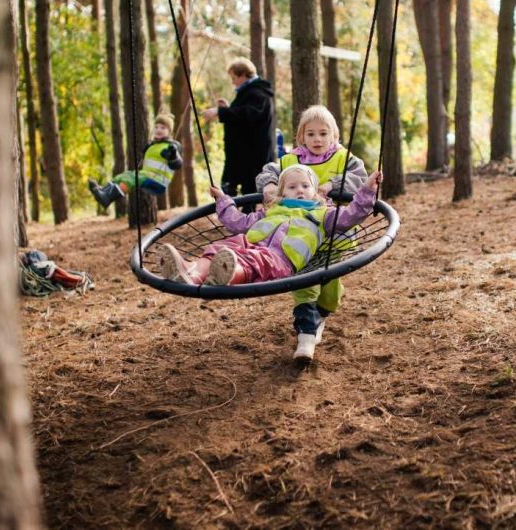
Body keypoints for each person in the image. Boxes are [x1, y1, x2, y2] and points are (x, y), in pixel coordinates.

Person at [157, 165, 382, 363]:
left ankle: (226, 272)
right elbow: (237, 222)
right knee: (223, 246)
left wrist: (368, 190)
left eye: (305, 185)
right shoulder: (270, 211)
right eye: (292, 187)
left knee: (252, 261)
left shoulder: (324, 215)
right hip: (248, 242)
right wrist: (223, 201)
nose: (300, 190)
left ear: (316, 192)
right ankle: (191, 272)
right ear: (282, 193)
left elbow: (351, 215)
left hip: (279, 257)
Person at [255, 104, 369, 337]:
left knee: (328, 280)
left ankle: (323, 309)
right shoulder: (289, 160)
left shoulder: (343, 158)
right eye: (311, 134)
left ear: (334, 135)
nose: (317, 139)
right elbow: (268, 172)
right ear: (301, 137)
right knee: (303, 275)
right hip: (297, 233)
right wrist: (268, 186)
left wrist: (332, 185)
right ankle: (306, 321)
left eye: (323, 133)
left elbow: (360, 178)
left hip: (333, 231)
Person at [202, 57, 275, 200]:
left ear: (243, 75)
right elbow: (244, 117)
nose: (232, 82)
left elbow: (249, 114)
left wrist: (219, 112)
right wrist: (228, 108)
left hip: (254, 156)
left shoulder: (258, 92)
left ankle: (249, 220)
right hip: (245, 155)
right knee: (246, 195)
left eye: (234, 77)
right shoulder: (250, 91)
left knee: (251, 195)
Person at [88, 113, 182, 207]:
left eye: (163, 128)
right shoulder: (153, 145)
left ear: (170, 131)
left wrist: (172, 155)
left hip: (158, 181)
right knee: (123, 176)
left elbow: (177, 164)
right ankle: (103, 191)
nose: (158, 130)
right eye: (156, 127)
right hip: (147, 175)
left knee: (132, 178)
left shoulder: (172, 146)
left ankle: (108, 197)